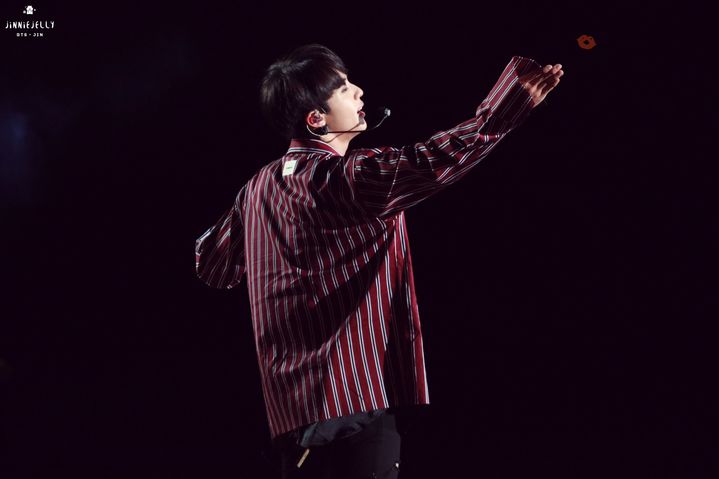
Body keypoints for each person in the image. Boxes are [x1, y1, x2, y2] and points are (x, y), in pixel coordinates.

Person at [195, 44, 564, 478]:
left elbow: (213, 266)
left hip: (290, 422)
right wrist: (504, 109)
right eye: (344, 88)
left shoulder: (254, 190)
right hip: (353, 406)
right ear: (317, 119)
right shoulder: (346, 178)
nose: (359, 92)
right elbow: (435, 160)